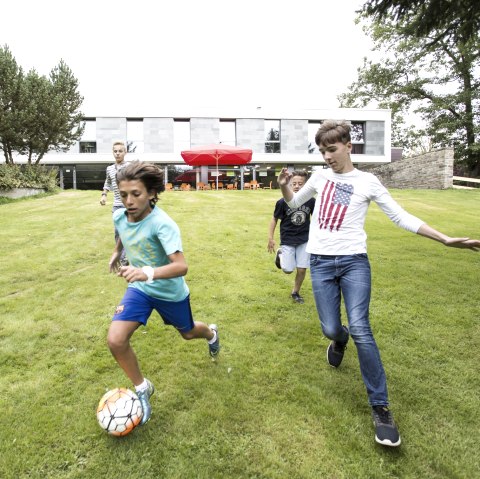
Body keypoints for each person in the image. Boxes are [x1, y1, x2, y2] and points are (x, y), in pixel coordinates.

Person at [277, 120, 480, 447]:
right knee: (331, 328)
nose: (327, 156)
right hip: (320, 262)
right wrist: (285, 186)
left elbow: (401, 216)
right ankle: (337, 340)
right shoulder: (320, 177)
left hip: (355, 261)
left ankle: (381, 408)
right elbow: (294, 203)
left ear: (348, 147)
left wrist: (443, 239)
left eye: (332, 149)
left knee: (361, 327)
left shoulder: (368, 181)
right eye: (323, 151)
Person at [107, 161, 220, 425]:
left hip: (169, 292)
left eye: (136, 194)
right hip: (139, 289)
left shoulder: (163, 224)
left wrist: (146, 272)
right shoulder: (119, 215)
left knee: (189, 332)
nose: (129, 201)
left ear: (151, 193)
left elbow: (181, 266)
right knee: (115, 340)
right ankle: (143, 387)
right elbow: (123, 232)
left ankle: (212, 334)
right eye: (124, 195)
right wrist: (116, 253)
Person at [267, 170, 315, 303]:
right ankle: (280, 254)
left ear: (306, 185)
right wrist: (270, 238)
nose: (297, 186)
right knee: (288, 269)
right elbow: (274, 219)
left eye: (300, 183)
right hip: (288, 239)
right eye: (294, 183)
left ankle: (295, 292)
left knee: (301, 268)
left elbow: (317, 219)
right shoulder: (282, 202)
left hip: (304, 239)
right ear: (289, 184)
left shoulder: (311, 201)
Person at [100, 141, 129, 264]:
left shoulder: (129, 167)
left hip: (128, 203)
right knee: (118, 231)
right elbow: (107, 182)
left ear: (125, 152)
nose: (117, 153)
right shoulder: (109, 168)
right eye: (115, 151)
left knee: (128, 230)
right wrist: (104, 195)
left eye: (120, 151)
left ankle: (128, 256)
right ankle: (123, 259)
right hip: (116, 204)